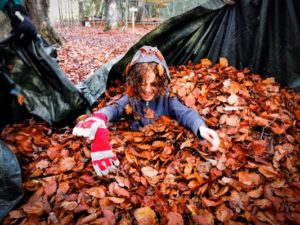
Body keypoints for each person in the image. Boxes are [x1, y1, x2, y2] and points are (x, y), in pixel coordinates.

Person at [73, 46, 220, 176]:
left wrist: (200, 128)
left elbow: (185, 113)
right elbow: (115, 108)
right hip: (136, 154)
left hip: (163, 156)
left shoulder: (167, 98)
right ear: (135, 82)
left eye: (154, 84)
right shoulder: (131, 97)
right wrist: (99, 117)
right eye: (142, 84)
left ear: (162, 82)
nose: (148, 90)